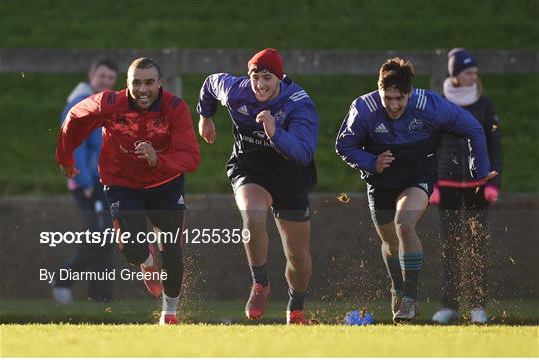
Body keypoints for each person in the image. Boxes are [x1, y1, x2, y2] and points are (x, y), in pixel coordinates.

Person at [335, 57, 497, 322]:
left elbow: (473, 128)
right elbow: (344, 146)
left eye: (400, 98)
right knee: (389, 242)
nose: (394, 105)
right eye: (388, 98)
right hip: (381, 180)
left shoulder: (430, 105)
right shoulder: (363, 109)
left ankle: (410, 299)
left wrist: (480, 172)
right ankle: (398, 288)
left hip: (417, 175)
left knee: (404, 225)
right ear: (379, 91)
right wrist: (371, 162)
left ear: (410, 93)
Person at [56, 57, 201, 325]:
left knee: (172, 250)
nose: (143, 89)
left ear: (159, 83)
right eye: (136, 83)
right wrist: (66, 158)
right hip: (123, 183)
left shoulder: (175, 107)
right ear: (127, 84)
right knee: (132, 250)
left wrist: (159, 160)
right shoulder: (109, 103)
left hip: (166, 184)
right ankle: (147, 262)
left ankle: (169, 313)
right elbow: (74, 116)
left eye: (149, 83)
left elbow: (191, 157)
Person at [197, 48, 318, 325]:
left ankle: (296, 308)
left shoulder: (299, 103)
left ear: (280, 78)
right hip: (250, 167)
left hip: (290, 174)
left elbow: (303, 152)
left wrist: (275, 133)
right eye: (255, 77)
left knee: (297, 255)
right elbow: (210, 83)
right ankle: (260, 283)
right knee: (252, 215)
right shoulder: (236, 91)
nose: (260, 85)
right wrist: (205, 115)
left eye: (267, 78)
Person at [430, 49, 502, 324]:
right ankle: (449, 305)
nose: (474, 76)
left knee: (476, 245)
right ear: (455, 74)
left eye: (474, 72)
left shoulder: (485, 105)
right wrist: (432, 184)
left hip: (478, 186)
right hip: (446, 184)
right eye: (468, 72)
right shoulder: (439, 104)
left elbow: (495, 147)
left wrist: (493, 182)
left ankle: (477, 306)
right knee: (450, 245)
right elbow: (431, 147)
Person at [53, 57, 118, 304]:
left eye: (110, 78)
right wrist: (86, 182)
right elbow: (74, 146)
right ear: (91, 76)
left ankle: (102, 298)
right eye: (102, 76)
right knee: (100, 235)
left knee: (105, 238)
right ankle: (62, 277)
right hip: (90, 184)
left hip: (105, 182)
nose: (105, 82)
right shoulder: (79, 106)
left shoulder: (104, 105)